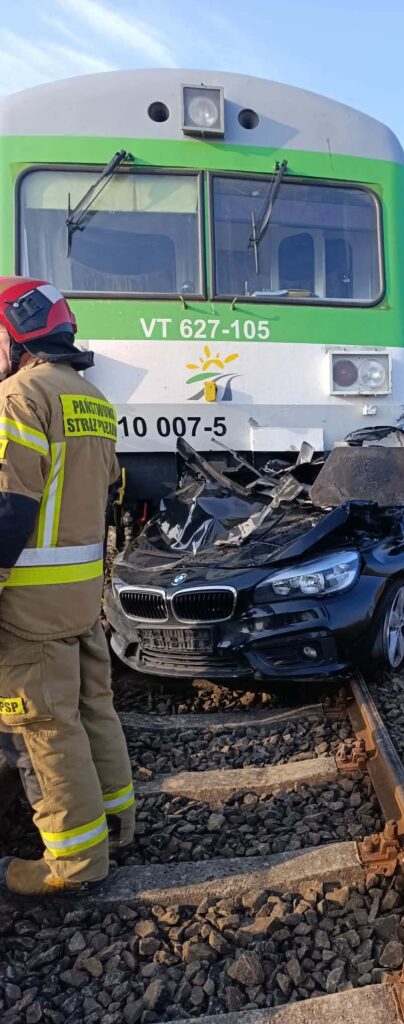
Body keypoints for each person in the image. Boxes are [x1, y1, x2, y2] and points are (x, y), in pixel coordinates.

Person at [0, 276, 134, 897]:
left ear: (15, 336)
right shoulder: (92, 400)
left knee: (43, 728)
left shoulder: (18, 397)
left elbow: (9, 512)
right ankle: (115, 821)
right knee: (90, 710)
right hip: (80, 597)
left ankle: (74, 863)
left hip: (28, 603)